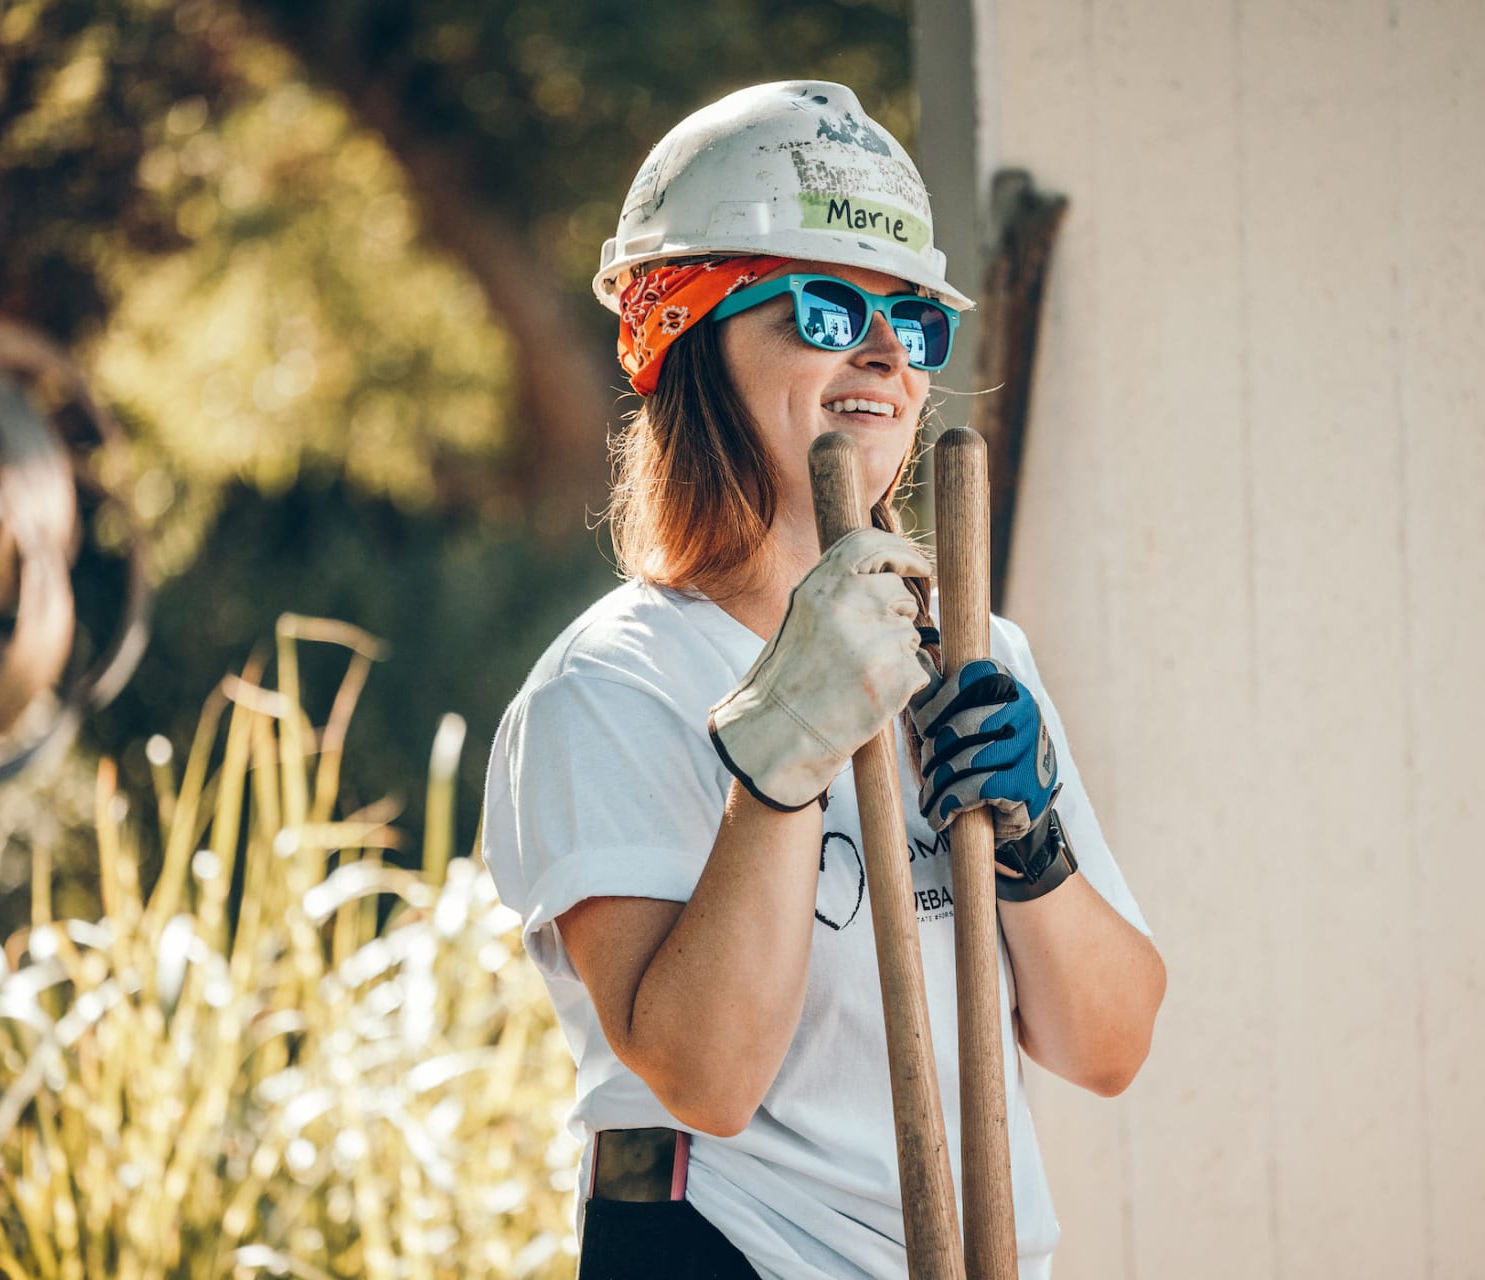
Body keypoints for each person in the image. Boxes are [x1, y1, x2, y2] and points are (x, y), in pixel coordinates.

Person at [480, 80, 1166, 1280]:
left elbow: (1108, 1046)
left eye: (912, 320)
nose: (887, 355)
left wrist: (1033, 845)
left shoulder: (973, 650)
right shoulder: (609, 686)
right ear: (686, 338)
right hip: (729, 1251)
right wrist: (781, 754)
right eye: (823, 305)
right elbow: (708, 1076)